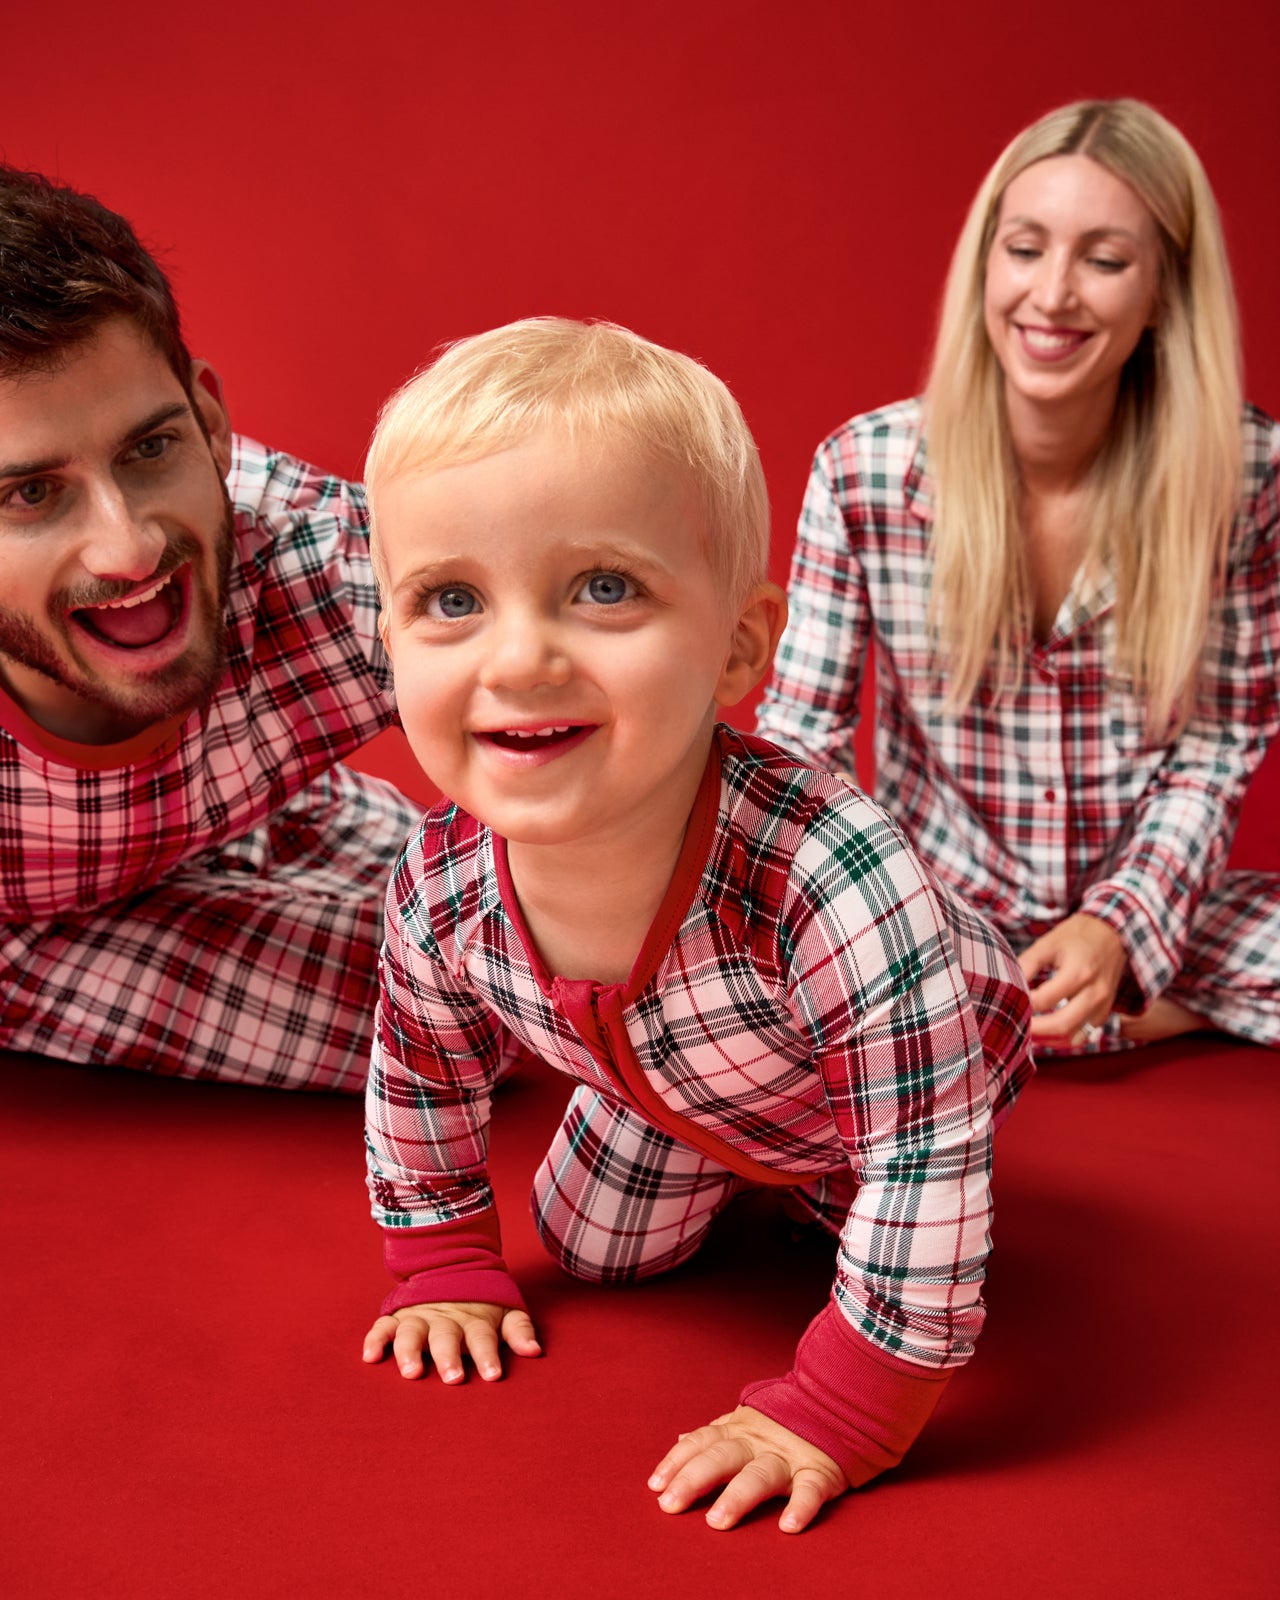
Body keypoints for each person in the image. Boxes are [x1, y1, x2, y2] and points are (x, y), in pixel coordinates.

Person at [358, 318, 1034, 1533]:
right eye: (449, 598)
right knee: (590, 1245)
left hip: (905, 1071)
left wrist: (842, 1405)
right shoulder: (440, 882)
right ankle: (745, 1173)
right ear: (388, 638)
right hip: (679, 1076)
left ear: (737, 644)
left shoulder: (831, 874)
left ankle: (808, 1187)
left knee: (905, 1215)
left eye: (602, 587)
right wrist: (444, 1258)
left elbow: (925, 1149)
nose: (519, 657)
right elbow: (418, 1074)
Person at [757, 98, 1280, 1055]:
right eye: (1026, 248)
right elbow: (802, 744)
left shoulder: (1248, 478)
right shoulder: (863, 470)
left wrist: (1120, 931)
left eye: (1106, 260)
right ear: (986, 263)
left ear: (1165, 290)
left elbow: (1216, 749)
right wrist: (858, 924)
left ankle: (1075, 1015)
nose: (1052, 295)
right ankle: (1063, 1019)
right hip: (936, 908)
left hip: (1159, 913)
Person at [0, 165, 418, 1091]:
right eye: (30, 493)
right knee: (438, 1019)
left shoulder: (326, 557)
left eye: (151, 448)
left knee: (531, 930)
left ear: (213, 420)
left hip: (247, 819)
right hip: (16, 935)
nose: (131, 546)